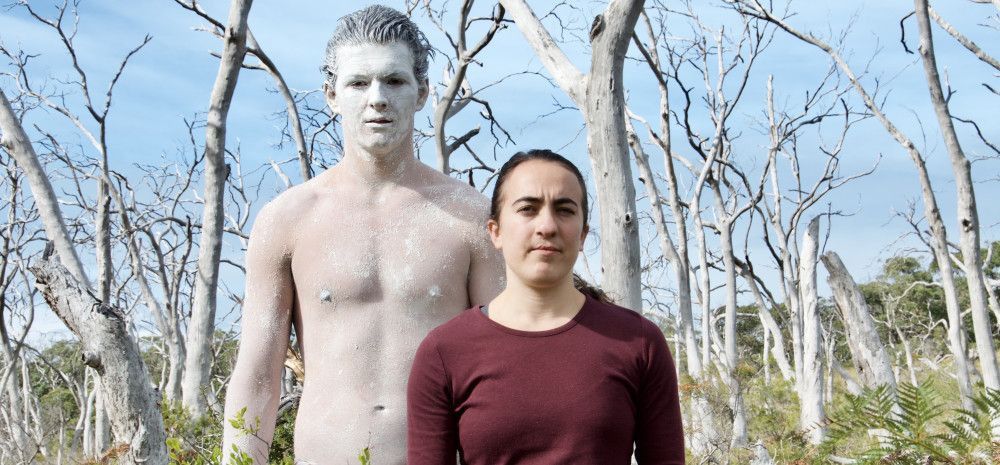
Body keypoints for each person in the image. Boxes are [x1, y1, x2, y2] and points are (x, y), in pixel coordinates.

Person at [221, 6, 503, 464]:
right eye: (358, 83)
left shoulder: (471, 217)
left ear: (421, 93)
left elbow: (505, 369)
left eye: (394, 81)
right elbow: (257, 377)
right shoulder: (286, 221)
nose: (377, 98)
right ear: (332, 95)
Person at [407, 149, 686, 464]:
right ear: (495, 232)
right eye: (528, 208)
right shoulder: (444, 352)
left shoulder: (639, 342)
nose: (547, 226)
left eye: (565, 210)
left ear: (582, 235)